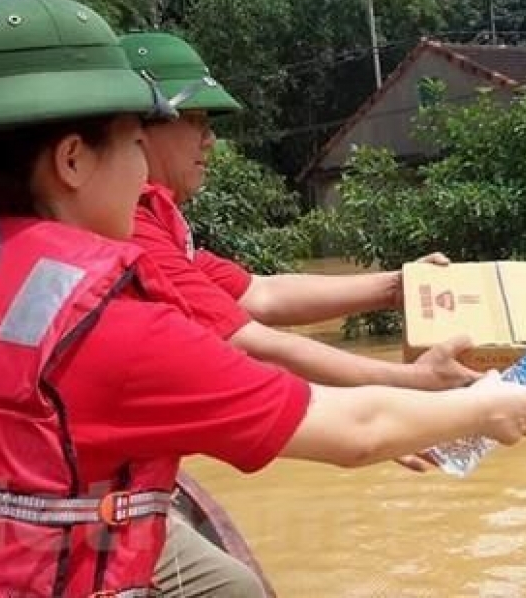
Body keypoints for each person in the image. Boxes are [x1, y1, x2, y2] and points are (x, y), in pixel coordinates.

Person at [0, 0, 526, 596]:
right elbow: (355, 427)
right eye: (134, 141)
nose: (147, 162)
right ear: (74, 159)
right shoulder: (101, 322)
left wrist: (411, 353)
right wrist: (488, 405)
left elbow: (257, 311)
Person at [119, 31, 483, 596]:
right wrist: (409, 384)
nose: (210, 140)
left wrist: (394, 286)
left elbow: (260, 295)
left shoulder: (161, 221)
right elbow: (250, 343)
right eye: (197, 121)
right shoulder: (133, 225)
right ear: (139, 128)